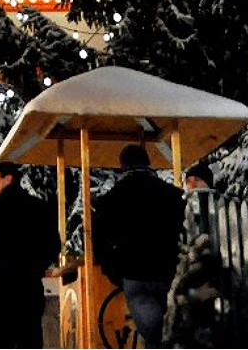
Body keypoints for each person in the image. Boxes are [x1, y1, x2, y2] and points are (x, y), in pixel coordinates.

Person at [93, 144, 185, 349]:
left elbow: (99, 243)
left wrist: (114, 271)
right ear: (148, 163)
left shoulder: (111, 200)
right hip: (168, 271)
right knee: (174, 333)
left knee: (153, 337)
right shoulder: (173, 196)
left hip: (134, 274)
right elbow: (185, 232)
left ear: (122, 166)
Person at [0, 161, 60, 348]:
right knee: (28, 337)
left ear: (7, 179)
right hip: (28, 286)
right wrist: (35, 266)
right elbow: (52, 246)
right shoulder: (38, 208)